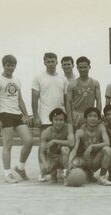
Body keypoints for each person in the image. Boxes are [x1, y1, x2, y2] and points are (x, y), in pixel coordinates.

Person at [0, 55, 33, 183]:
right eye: (8, 65)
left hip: (17, 115)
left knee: (29, 141)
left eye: (13, 65)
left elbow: (20, 100)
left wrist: (26, 115)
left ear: (15, 66)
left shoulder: (17, 80)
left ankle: (20, 167)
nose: (10, 67)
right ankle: (7, 174)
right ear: (4, 65)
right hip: (4, 114)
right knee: (8, 145)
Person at [32, 52, 68, 182]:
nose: (51, 64)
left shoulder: (63, 79)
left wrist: (67, 115)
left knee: (60, 146)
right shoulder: (38, 78)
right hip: (45, 118)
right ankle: (43, 171)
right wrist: (35, 116)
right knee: (44, 146)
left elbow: (65, 98)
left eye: (53, 61)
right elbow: (34, 98)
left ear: (57, 62)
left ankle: (59, 171)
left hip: (60, 118)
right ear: (44, 62)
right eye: (49, 61)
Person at [67, 107, 111, 186]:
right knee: (74, 163)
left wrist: (92, 146)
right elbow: (74, 149)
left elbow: (107, 143)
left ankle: (102, 177)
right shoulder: (80, 131)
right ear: (86, 119)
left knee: (107, 149)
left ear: (98, 119)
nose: (92, 118)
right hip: (85, 160)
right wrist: (69, 163)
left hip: (96, 160)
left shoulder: (101, 127)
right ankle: (87, 174)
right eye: (90, 116)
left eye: (95, 116)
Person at [39, 108, 75, 183]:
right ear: (52, 120)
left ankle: (66, 174)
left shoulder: (68, 127)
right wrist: (45, 165)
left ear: (64, 121)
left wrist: (54, 141)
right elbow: (41, 152)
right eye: (56, 120)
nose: (58, 122)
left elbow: (71, 143)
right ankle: (52, 173)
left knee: (65, 149)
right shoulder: (46, 132)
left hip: (64, 158)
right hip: (52, 158)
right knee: (45, 171)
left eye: (61, 120)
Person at [67, 56, 102, 130]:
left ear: (89, 67)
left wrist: (98, 116)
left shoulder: (95, 83)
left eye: (85, 67)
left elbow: (99, 100)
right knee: (77, 138)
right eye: (80, 67)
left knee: (90, 137)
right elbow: (68, 103)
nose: (83, 69)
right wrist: (70, 119)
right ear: (77, 68)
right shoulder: (72, 84)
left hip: (90, 115)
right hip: (77, 115)